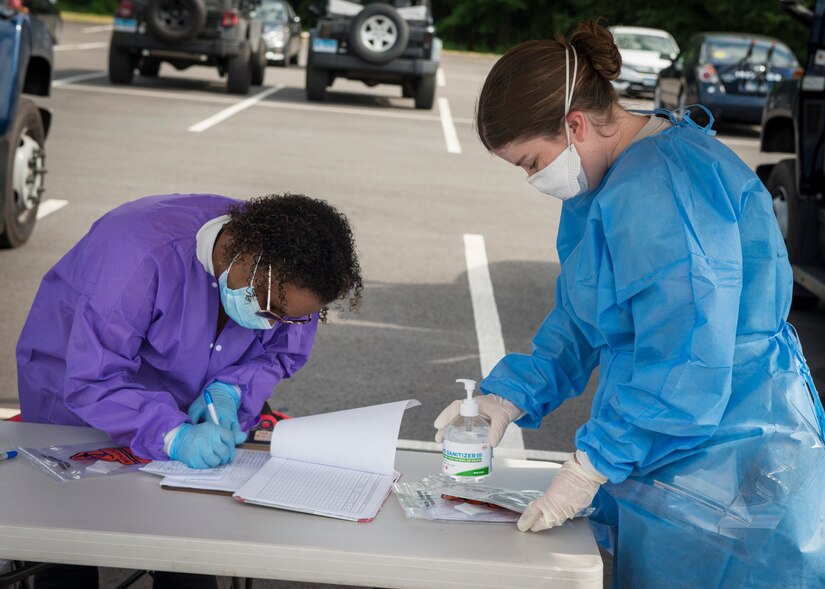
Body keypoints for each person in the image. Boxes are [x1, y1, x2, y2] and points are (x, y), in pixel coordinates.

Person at [434, 21, 825, 588]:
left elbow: (685, 360)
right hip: (671, 447)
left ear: (574, 125)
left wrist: (593, 464)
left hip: (729, 450)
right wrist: (510, 396)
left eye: (530, 161)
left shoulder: (664, 187)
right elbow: (584, 314)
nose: (532, 177)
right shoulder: (607, 179)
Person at [16, 192, 362, 589]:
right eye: (269, 309)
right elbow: (93, 377)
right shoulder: (135, 257)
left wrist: (233, 390)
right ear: (245, 257)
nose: (273, 324)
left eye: (290, 319)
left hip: (182, 412)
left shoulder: (296, 272)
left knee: (187, 547)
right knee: (69, 543)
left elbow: (280, 354)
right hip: (74, 394)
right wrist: (172, 434)